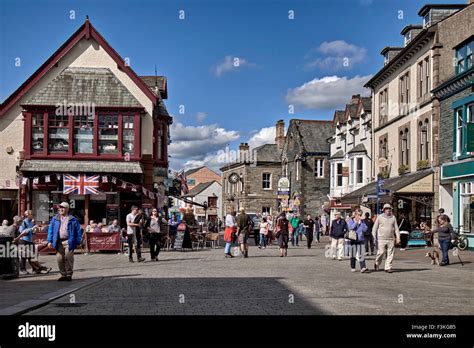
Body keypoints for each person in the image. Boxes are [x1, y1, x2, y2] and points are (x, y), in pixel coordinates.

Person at [47, 202, 82, 281]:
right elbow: (51, 230)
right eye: (60, 208)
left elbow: (78, 231)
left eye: (63, 208)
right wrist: (49, 241)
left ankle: (69, 274)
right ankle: (63, 274)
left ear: (67, 209)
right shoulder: (55, 219)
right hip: (58, 241)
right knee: (59, 258)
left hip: (69, 240)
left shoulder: (73, 219)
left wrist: (78, 241)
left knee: (68, 256)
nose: (61, 209)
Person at [373, 203, 400, 273]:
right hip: (381, 238)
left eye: (389, 209)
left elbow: (396, 228)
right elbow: (374, 228)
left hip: (391, 238)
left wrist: (398, 237)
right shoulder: (380, 217)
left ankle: (388, 267)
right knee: (381, 252)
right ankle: (377, 263)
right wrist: (373, 237)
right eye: (387, 209)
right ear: (384, 210)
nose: (388, 210)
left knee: (390, 254)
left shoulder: (393, 217)